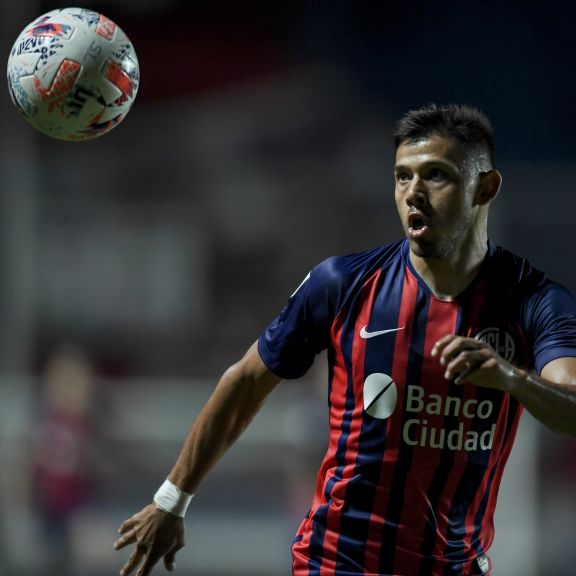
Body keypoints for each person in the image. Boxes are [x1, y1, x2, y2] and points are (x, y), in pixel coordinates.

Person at [114, 104, 576, 576]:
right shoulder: (342, 284)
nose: (413, 192)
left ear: (485, 187)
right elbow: (246, 382)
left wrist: (509, 377)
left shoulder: (534, 301)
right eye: (402, 177)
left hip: (452, 567)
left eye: (435, 175)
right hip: (337, 562)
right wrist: (171, 500)